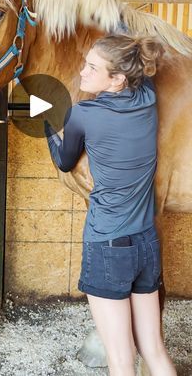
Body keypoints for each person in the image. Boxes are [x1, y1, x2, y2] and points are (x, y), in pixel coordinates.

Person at [44, 34, 177, 376]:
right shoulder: (147, 98)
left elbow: (64, 161)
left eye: (92, 67)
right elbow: (133, 60)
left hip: (107, 246)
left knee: (120, 359)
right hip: (146, 244)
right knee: (155, 351)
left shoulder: (83, 114)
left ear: (117, 78)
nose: (82, 71)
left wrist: (46, 128)